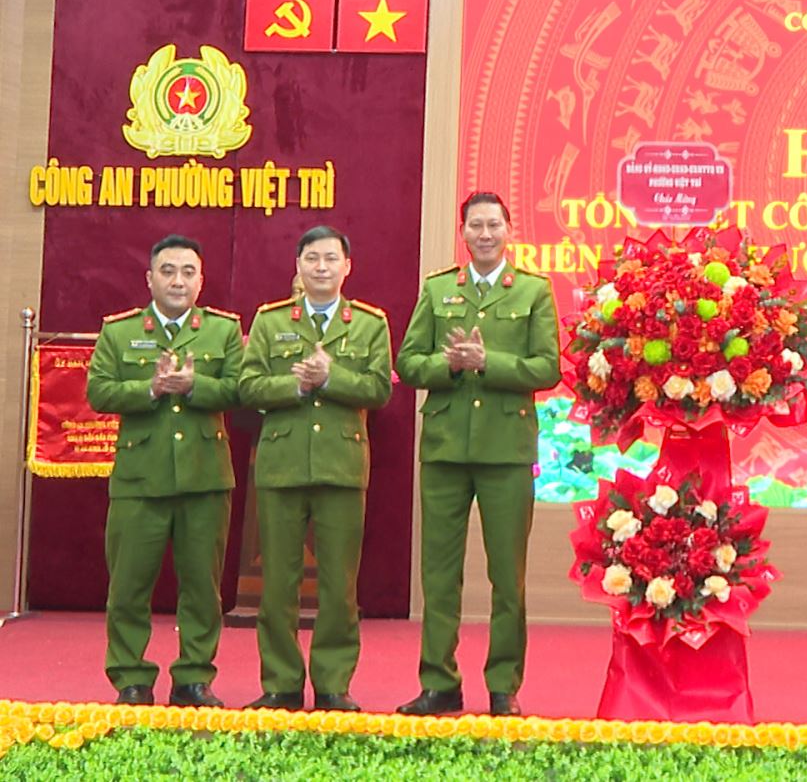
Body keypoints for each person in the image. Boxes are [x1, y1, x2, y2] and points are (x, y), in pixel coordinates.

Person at [395, 192, 561, 716]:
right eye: (475, 226)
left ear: (509, 230)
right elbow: (408, 362)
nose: (485, 234)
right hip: (446, 448)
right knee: (439, 575)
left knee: (507, 576)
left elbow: (548, 368)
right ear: (462, 232)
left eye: (493, 225)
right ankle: (438, 682)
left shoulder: (533, 290)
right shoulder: (438, 289)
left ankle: (504, 685)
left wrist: (490, 362)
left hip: (506, 450)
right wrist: (448, 366)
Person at [238, 226, 393, 712]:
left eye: (330, 259)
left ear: (347, 267)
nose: (321, 267)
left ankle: (333, 684)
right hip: (282, 466)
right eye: (312, 258)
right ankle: (281, 683)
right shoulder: (270, 321)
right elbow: (247, 387)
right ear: (298, 266)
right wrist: (296, 386)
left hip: (341, 468)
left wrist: (332, 377)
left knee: (339, 586)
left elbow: (379, 390)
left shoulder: (369, 323)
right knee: (277, 586)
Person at [86, 234, 243, 708]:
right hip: (140, 479)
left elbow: (241, 389)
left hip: (204, 478)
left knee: (202, 587)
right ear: (150, 278)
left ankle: (193, 677)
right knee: (128, 586)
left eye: (188, 272)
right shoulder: (119, 332)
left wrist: (196, 386)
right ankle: (131, 678)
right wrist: (149, 390)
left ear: (201, 281)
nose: (178, 281)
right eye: (168, 271)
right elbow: (98, 392)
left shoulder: (223, 331)